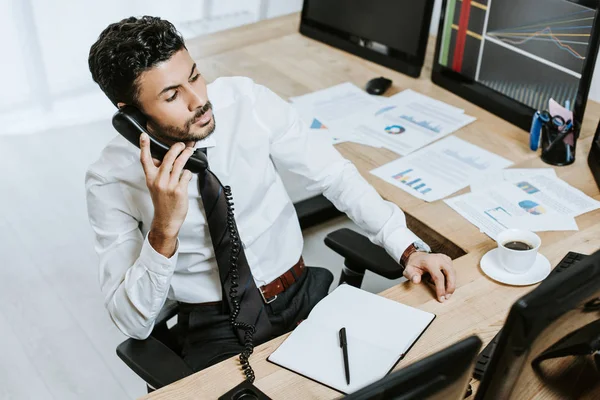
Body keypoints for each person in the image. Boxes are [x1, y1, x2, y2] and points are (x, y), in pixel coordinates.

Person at [85, 16, 456, 372]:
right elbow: (131, 323)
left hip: (301, 292)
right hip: (213, 323)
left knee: (405, 371)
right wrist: (164, 229)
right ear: (130, 115)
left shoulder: (247, 102)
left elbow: (334, 175)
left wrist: (407, 247)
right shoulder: (110, 180)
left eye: (195, 76)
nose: (198, 100)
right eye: (172, 95)